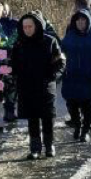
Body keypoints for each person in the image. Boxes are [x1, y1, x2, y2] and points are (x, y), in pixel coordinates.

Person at [10, 11, 66, 159]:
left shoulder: (49, 41)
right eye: (24, 27)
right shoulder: (19, 44)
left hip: (45, 86)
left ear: (38, 26)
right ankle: (35, 148)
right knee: (32, 117)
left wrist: (53, 76)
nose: (27, 29)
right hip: (26, 87)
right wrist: (12, 75)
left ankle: (49, 145)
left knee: (47, 117)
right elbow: (13, 64)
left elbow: (60, 62)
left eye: (30, 26)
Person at [61, 10, 91, 142]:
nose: (80, 22)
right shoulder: (70, 36)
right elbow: (60, 52)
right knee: (72, 105)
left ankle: (85, 130)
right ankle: (77, 126)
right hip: (72, 77)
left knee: (88, 106)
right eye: (78, 20)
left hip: (90, 77)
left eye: (83, 20)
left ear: (88, 21)